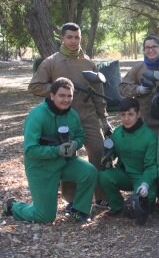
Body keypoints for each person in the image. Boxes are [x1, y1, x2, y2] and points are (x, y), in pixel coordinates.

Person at [28, 22, 110, 208]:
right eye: (70, 37)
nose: (74, 41)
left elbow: (98, 91)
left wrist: (103, 118)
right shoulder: (52, 62)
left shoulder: (89, 63)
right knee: (67, 155)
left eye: (77, 37)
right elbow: (34, 86)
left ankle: (101, 195)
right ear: (63, 38)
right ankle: (71, 199)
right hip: (64, 118)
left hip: (88, 116)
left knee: (98, 151)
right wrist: (59, 88)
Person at [2, 78, 98, 224]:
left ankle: (79, 209)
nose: (66, 100)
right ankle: (14, 206)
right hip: (41, 168)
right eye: (62, 95)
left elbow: (80, 135)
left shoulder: (72, 114)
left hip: (65, 162)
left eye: (69, 96)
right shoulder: (37, 115)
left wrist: (75, 144)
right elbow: (30, 150)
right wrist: (57, 150)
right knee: (45, 217)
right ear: (52, 96)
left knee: (89, 171)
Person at [98, 97, 158, 219]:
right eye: (123, 115)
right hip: (125, 174)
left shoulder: (149, 136)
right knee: (104, 176)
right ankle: (118, 206)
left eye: (130, 114)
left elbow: (151, 166)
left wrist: (145, 184)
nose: (126, 118)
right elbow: (112, 153)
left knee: (141, 207)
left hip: (142, 177)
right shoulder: (118, 133)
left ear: (138, 114)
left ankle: (147, 199)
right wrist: (107, 157)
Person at [118, 35, 159, 133]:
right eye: (147, 47)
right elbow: (122, 87)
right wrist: (137, 90)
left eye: (154, 47)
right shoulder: (138, 68)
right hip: (143, 120)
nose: (151, 50)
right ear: (144, 50)